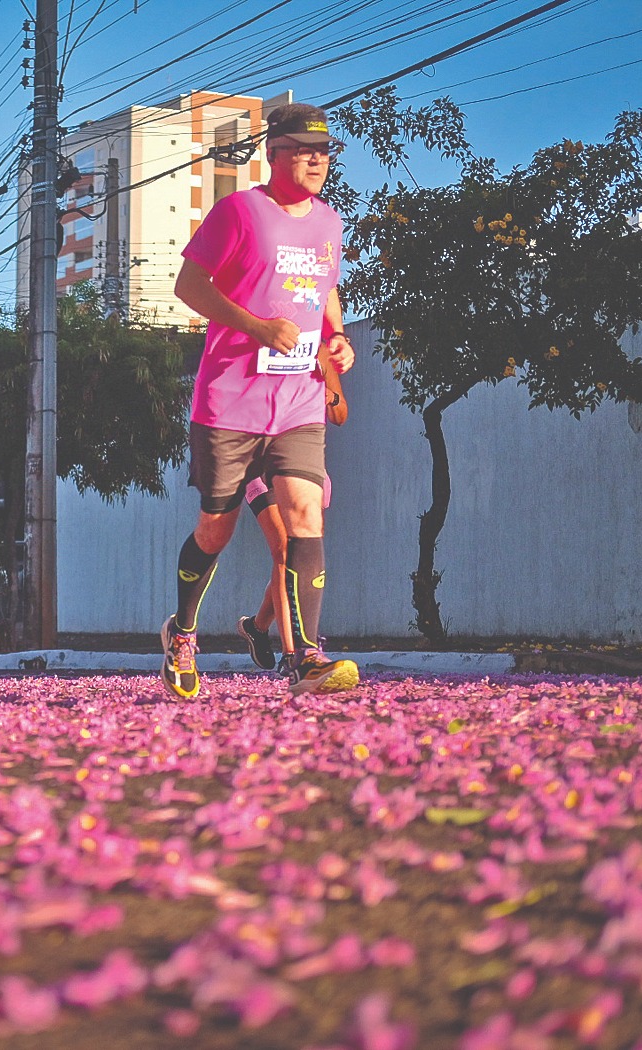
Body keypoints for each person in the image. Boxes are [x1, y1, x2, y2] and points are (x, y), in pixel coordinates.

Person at [163, 102, 359, 699]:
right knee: (215, 529)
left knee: (305, 514)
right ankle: (183, 630)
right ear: (272, 152)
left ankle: (306, 658)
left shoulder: (329, 223)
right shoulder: (239, 211)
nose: (316, 160)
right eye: (302, 149)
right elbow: (189, 285)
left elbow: (327, 291)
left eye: (323, 152)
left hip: (297, 397)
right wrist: (255, 326)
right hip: (230, 399)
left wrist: (338, 339)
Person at [238, 346, 348, 674]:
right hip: (258, 461)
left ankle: (257, 627)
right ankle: (293, 653)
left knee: (294, 557)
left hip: (303, 462)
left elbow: (341, 415)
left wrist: (327, 396)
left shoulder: (323, 354)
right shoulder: (258, 346)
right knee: (283, 551)